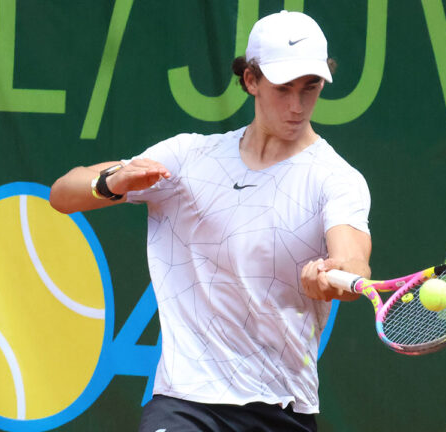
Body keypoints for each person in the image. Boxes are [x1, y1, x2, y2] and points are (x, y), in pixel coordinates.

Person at [50, 10, 371, 432]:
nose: (297, 106)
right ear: (250, 81)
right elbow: (63, 193)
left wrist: (334, 276)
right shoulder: (188, 158)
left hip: (280, 406)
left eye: (310, 89)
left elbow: (353, 260)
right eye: (283, 89)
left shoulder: (337, 179)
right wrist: (111, 182)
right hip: (186, 401)